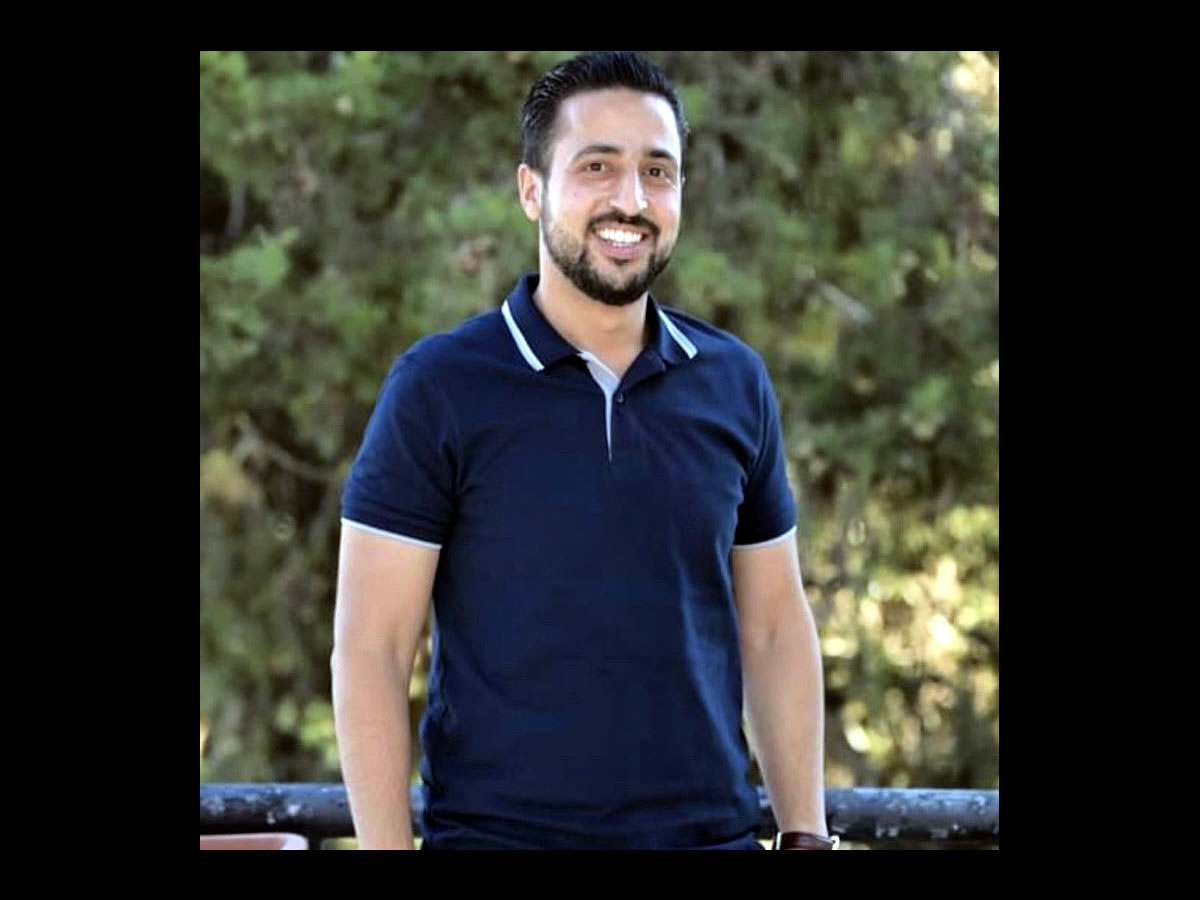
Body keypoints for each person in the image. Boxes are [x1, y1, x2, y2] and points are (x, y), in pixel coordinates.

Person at [332, 50, 834, 851]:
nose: (631, 200)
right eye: (597, 166)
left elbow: (774, 627)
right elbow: (372, 652)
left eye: (657, 172)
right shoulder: (439, 387)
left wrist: (805, 834)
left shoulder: (735, 382)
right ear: (531, 189)